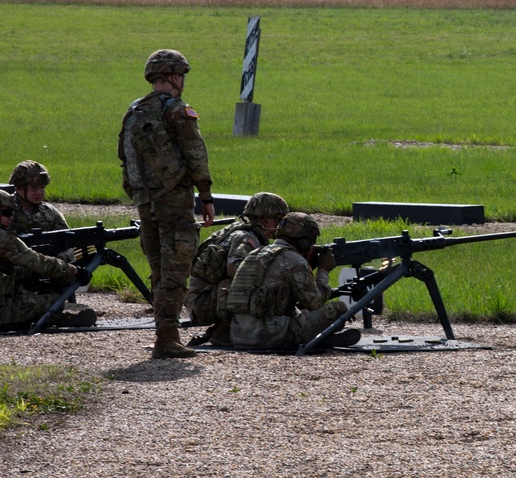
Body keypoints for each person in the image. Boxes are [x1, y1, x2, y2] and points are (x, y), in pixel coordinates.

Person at [118, 48, 215, 359]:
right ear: (174, 77)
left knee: (159, 269)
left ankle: (164, 334)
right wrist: (206, 195)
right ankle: (167, 339)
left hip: (145, 202)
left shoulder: (134, 111)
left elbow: (124, 158)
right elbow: (195, 154)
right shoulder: (177, 110)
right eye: (181, 76)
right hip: (174, 200)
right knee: (176, 268)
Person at [0, 188, 94, 331]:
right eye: (6, 213)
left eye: (13, 212)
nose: (11, 217)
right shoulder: (0, 238)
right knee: (55, 302)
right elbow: (37, 262)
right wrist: (73, 270)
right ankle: (55, 319)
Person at [224, 211, 360, 351]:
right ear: (304, 241)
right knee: (339, 308)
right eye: (310, 240)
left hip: (239, 336)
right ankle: (320, 339)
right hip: (270, 337)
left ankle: (320, 339)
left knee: (299, 311)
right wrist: (324, 270)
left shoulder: (256, 253)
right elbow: (315, 302)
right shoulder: (294, 261)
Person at [185, 191, 290, 346]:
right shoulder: (246, 238)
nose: (281, 226)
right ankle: (226, 331)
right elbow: (237, 270)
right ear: (265, 220)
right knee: (252, 288)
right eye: (279, 221)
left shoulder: (242, 232)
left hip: (203, 299)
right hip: (204, 304)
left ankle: (223, 330)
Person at [9, 160, 69, 235]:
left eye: (42, 187)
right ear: (19, 187)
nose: (39, 193)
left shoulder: (50, 212)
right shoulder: (5, 211)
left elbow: (66, 237)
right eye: (34, 188)